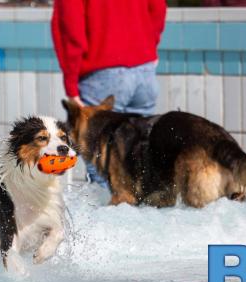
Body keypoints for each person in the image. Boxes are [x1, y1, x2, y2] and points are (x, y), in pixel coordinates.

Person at [51, 0, 167, 185]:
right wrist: (149, 47)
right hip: (144, 71)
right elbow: (158, 8)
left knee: (102, 171)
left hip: (102, 75)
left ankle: (106, 213)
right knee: (141, 163)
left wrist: (71, 85)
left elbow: (72, 30)